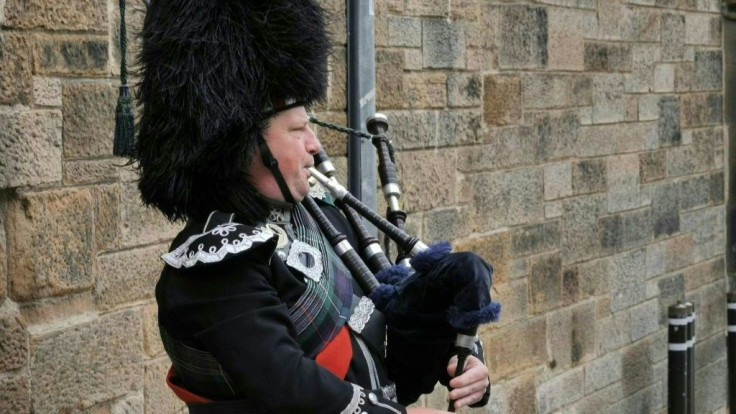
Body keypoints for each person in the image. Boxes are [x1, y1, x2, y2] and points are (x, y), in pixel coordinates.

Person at [134, 1, 491, 413]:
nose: (314, 144)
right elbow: (291, 386)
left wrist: (463, 360)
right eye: (298, 129)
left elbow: (387, 343)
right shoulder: (215, 265)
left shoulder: (318, 217)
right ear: (245, 144)